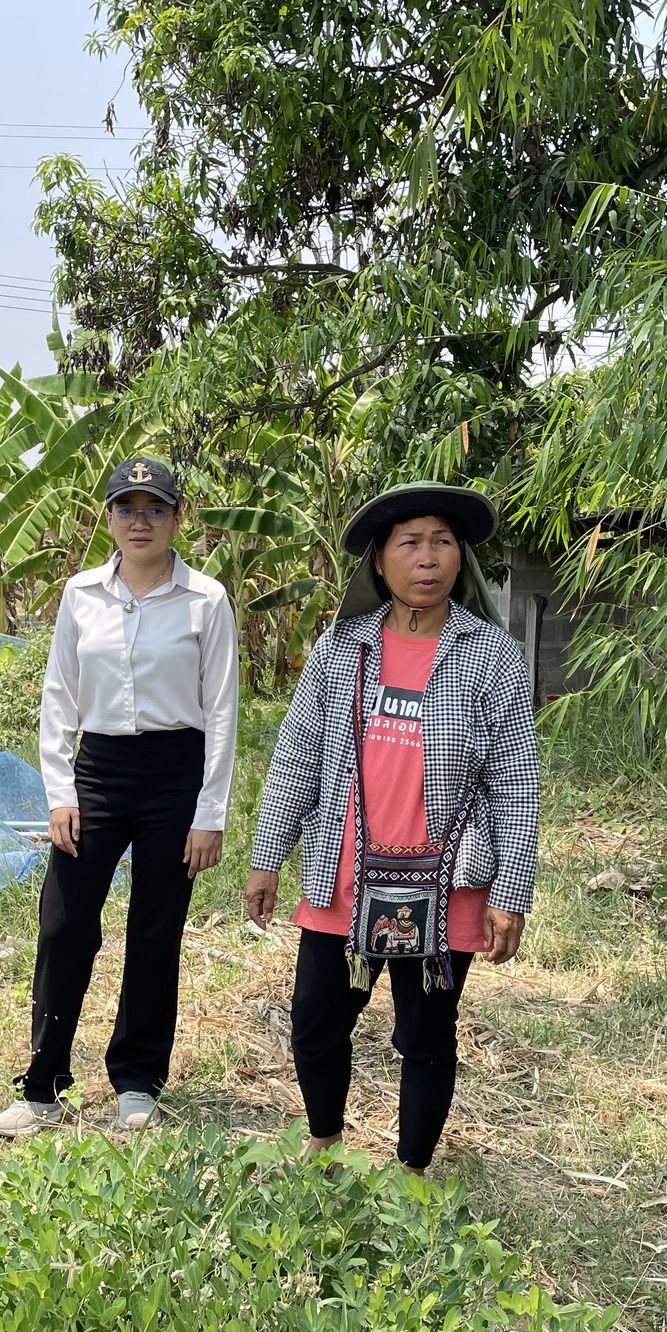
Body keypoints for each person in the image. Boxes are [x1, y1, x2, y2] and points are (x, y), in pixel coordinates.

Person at [244, 482, 538, 1174]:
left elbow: (517, 783)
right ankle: (322, 1143)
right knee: (317, 1022)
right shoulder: (342, 649)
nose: (428, 558)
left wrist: (511, 893)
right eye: (410, 543)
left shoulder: (489, 655)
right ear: (379, 561)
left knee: (426, 1034)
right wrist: (267, 857)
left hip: (444, 889)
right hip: (342, 878)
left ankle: (411, 1175)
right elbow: (296, 755)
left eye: (442, 542)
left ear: (460, 557)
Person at [0, 457, 240, 1136]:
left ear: (177, 518)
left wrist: (208, 813)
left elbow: (221, 712)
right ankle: (42, 1084)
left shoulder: (206, 600)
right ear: (107, 518)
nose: (140, 522)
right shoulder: (81, 594)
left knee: (155, 932)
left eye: (155, 508)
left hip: (174, 774)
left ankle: (136, 1081)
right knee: (64, 925)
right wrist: (60, 792)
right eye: (126, 508)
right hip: (96, 771)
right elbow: (59, 697)